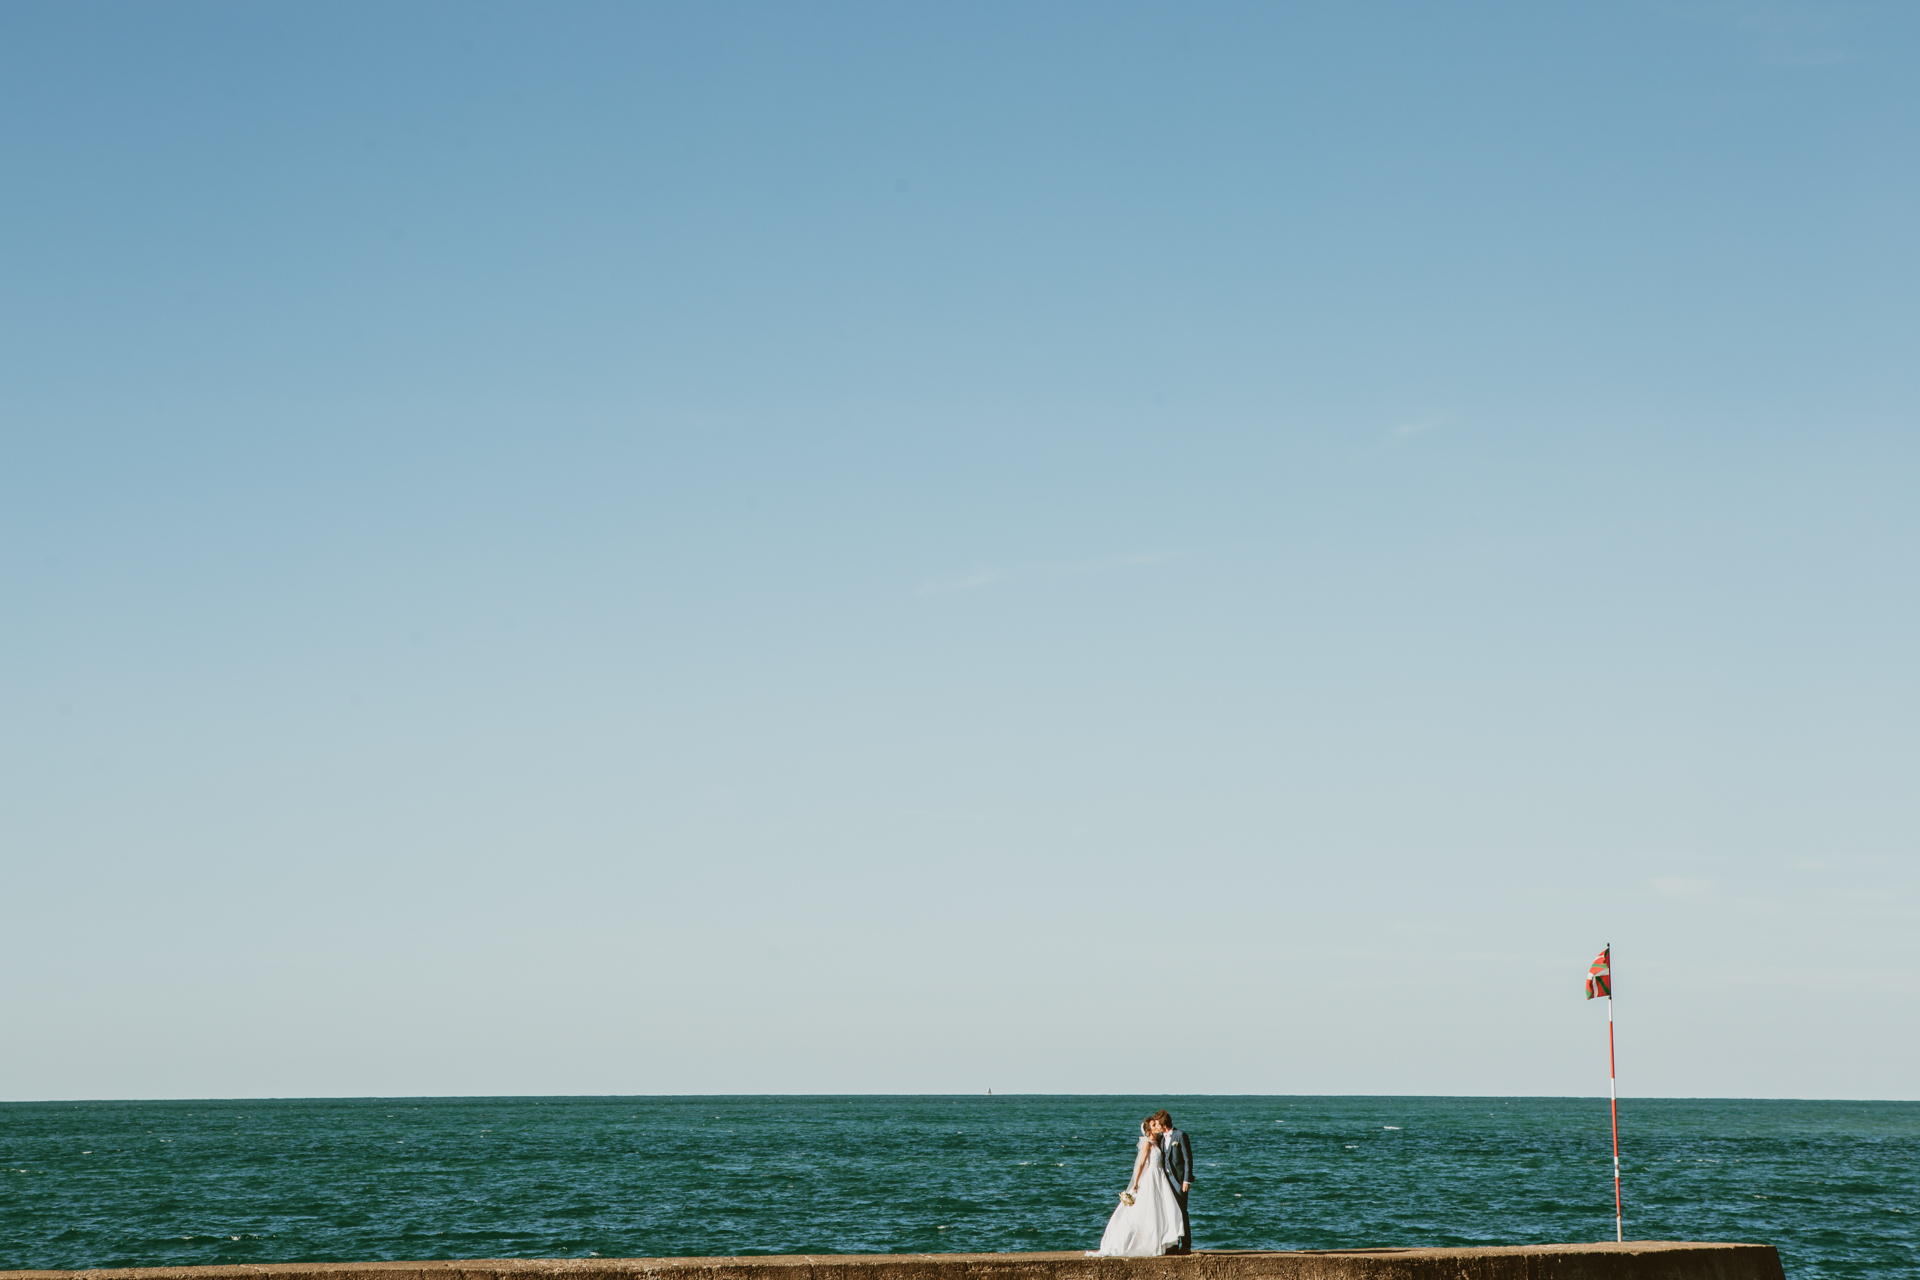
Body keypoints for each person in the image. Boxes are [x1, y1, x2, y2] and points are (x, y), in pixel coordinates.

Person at [1085, 1118, 1184, 1257]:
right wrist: (1136, 1182)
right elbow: (1142, 1163)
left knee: (1163, 1208)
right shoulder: (1147, 1144)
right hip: (1152, 1177)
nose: (1157, 1126)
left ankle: (1163, 1241)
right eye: (1154, 1125)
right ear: (1149, 1130)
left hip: (1161, 1177)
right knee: (1151, 1209)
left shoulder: (1159, 1141)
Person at [1151, 1110, 1195, 1254]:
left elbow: (1188, 1158)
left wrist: (1186, 1179)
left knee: (1182, 1212)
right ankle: (1173, 1244)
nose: (1156, 1126)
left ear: (1163, 1124)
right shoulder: (1162, 1139)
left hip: (1179, 1180)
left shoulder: (1180, 1135)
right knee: (1170, 1212)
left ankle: (1186, 1245)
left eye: (1157, 1124)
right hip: (1166, 1181)